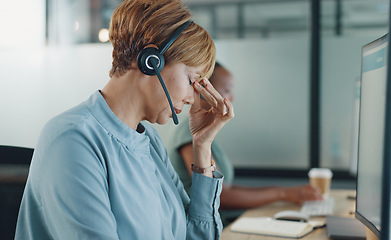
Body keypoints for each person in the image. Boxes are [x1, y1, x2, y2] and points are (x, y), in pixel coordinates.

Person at [14, 0, 234, 239]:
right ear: (151, 62)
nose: (194, 98)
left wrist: (202, 146)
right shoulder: (72, 140)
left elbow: (194, 236)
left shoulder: (149, 141)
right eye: (193, 80)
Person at [169, 62, 322, 220]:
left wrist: (285, 193)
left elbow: (226, 188)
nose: (232, 97)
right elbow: (220, 196)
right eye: (227, 90)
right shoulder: (189, 134)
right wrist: (283, 193)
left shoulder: (205, 133)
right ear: (205, 88)